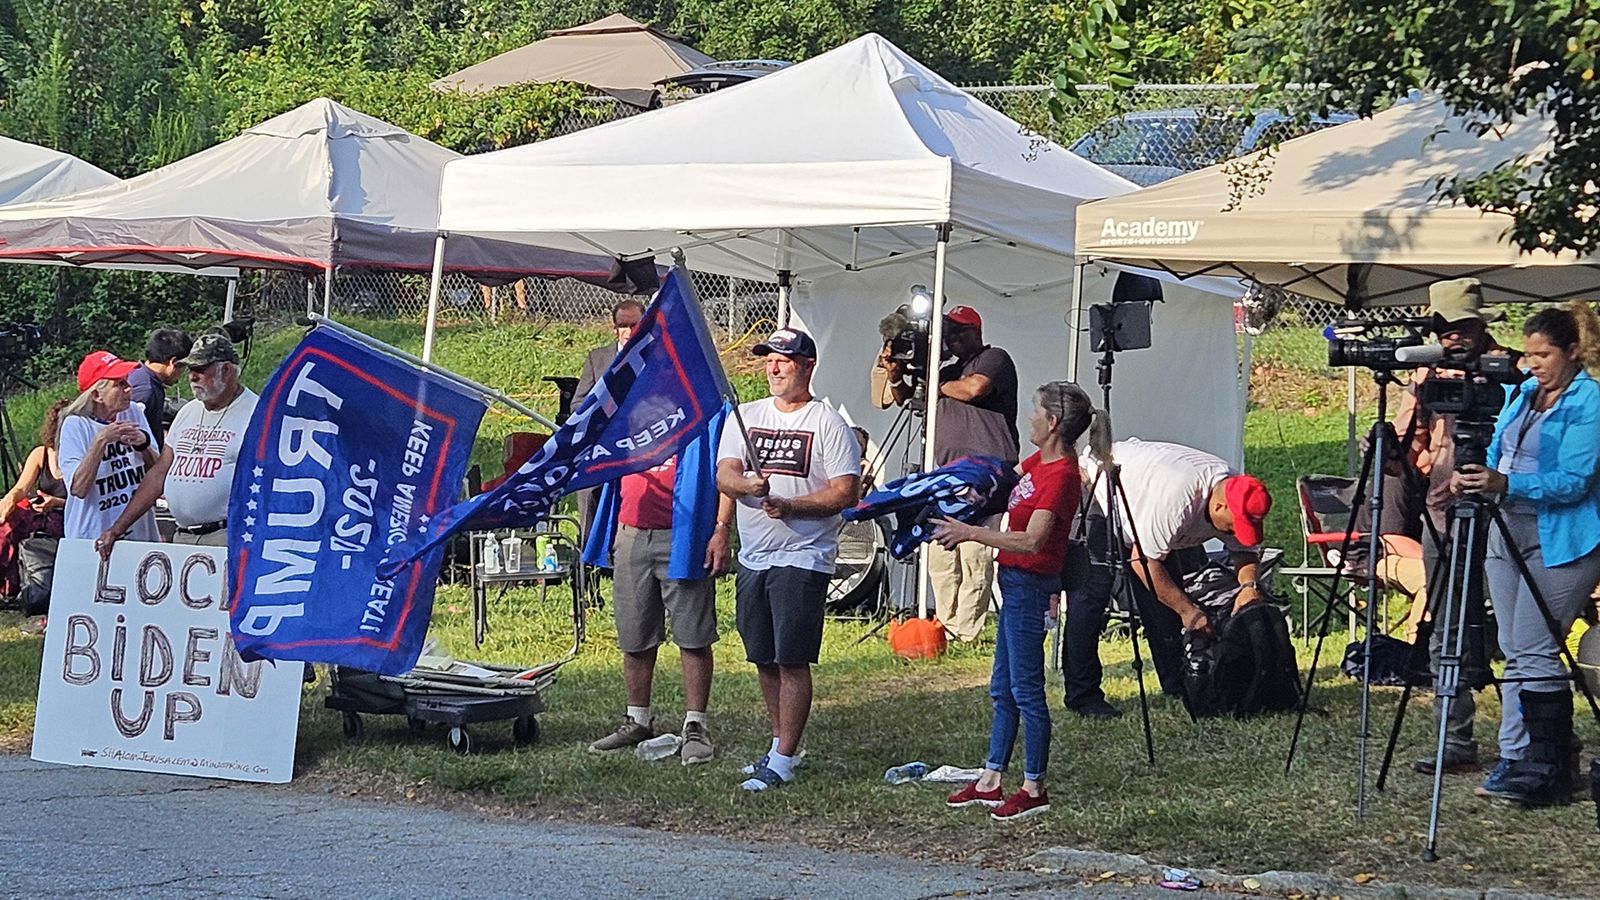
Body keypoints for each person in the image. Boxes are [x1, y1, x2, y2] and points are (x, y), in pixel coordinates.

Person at [1453, 302, 1600, 807]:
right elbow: (1495, 449)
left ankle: (1547, 762)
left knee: (1537, 648)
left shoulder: (1590, 404)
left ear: (1573, 352)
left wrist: (1507, 483)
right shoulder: (1520, 395)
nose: (1532, 363)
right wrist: (1475, 475)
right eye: (1529, 354)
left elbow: (1576, 481)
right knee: (1517, 648)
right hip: (1506, 528)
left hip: (1563, 536)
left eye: (1544, 355)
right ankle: (1519, 756)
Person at [934, 382, 1101, 822]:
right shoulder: (1038, 463)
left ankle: (1034, 785)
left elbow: (1032, 540)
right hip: (1014, 581)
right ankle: (991, 778)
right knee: (1001, 687)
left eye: (1036, 412)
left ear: (1052, 423)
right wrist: (967, 492)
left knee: (1027, 691)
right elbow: (1006, 482)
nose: (1029, 418)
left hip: (1031, 583)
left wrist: (969, 532)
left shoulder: (1062, 475)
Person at [717, 327, 861, 792]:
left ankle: (782, 756)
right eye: (768, 359)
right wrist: (747, 490)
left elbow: (845, 491)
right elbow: (725, 474)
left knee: (791, 657)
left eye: (784, 360)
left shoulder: (827, 423)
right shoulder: (746, 416)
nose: (773, 367)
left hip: (803, 554)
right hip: (754, 555)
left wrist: (792, 505)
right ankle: (781, 745)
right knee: (763, 655)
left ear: (807, 366)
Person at [1394, 278, 1515, 774]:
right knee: (1445, 626)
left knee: (1515, 632)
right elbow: (1409, 448)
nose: (1453, 338)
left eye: (1461, 327)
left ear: (1479, 326)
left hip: (1505, 515)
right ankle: (1455, 738)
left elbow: (1524, 443)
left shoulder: (1509, 371)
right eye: (1444, 329)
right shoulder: (1427, 373)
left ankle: (1527, 744)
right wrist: (1403, 453)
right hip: (1443, 519)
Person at [1073, 439, 1273, 700]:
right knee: (1092, 595)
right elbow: (1142, 562)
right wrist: (1189, 613)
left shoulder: (1236, 491)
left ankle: (1178, 685)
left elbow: (1244, 551)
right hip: (1101, 482)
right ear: (1219, 506)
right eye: (1235, 526)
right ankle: (1083, 695)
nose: (1236, 532)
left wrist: (1249, 587)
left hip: (1149, 512)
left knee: (1167, 596)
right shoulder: (1178, 500)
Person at [584, 450, 737, 766]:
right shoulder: (632, 411)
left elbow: (726, 470)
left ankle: (696, 726)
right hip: (631, 532)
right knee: (634, 633)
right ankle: (637, 719)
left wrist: (721, 527)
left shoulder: (697, 410)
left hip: (684, 534)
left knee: (692, 634)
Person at [877, 305, 1019, 642]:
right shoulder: (946, 372)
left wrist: (936, 382)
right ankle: (945, 622)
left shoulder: (994, 358)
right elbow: (907, 400)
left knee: (974, 551)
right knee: (941, 551)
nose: (952, 339)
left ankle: (965, 631)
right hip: (947, 473)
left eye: (958, 331)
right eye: (947, 333)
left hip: (987, 471)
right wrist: (896, 373)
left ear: (976, 331)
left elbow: (974, 389)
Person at [97, 334, 258, 554]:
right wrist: (117, 529)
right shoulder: (188, 411)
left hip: (227, 536)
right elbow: (159, 474)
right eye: (190, 370)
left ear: (227, 370)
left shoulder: (257, 415)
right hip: (182, 535)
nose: (192, 377)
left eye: (201, 370)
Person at [58, 351, 160, 544]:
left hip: (139, 535)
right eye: (119, 385)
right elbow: (78, 489)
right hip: (92, 537)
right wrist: (100, 442)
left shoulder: (132, 412)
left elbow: (159, 472)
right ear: (97, 395)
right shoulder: (76, 425)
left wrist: (143, 445)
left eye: (127, 382)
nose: (129, 389)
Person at [576, 299, 648, 538]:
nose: (628, 332)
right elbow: (579, 402)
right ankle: (587, 552)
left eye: (634, 325)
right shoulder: (597, 358)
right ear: (614, 328)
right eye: (622, 325)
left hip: (642, 440)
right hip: (603, 439)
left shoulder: (655, 358)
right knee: (587, 486)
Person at [0, 399, 68, 627]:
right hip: (42, 519)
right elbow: (22, 487)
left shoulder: (84, 456)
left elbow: (87, 503)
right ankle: (10, 588)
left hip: (70, 519)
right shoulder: (41, 454)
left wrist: (56, 502)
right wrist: (10, 498)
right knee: (7, 523)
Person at [126, 328, 193, 449]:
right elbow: (131, 435)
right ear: (174, 362)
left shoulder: (136, 372)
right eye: (184, 367)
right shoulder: (146, 390)